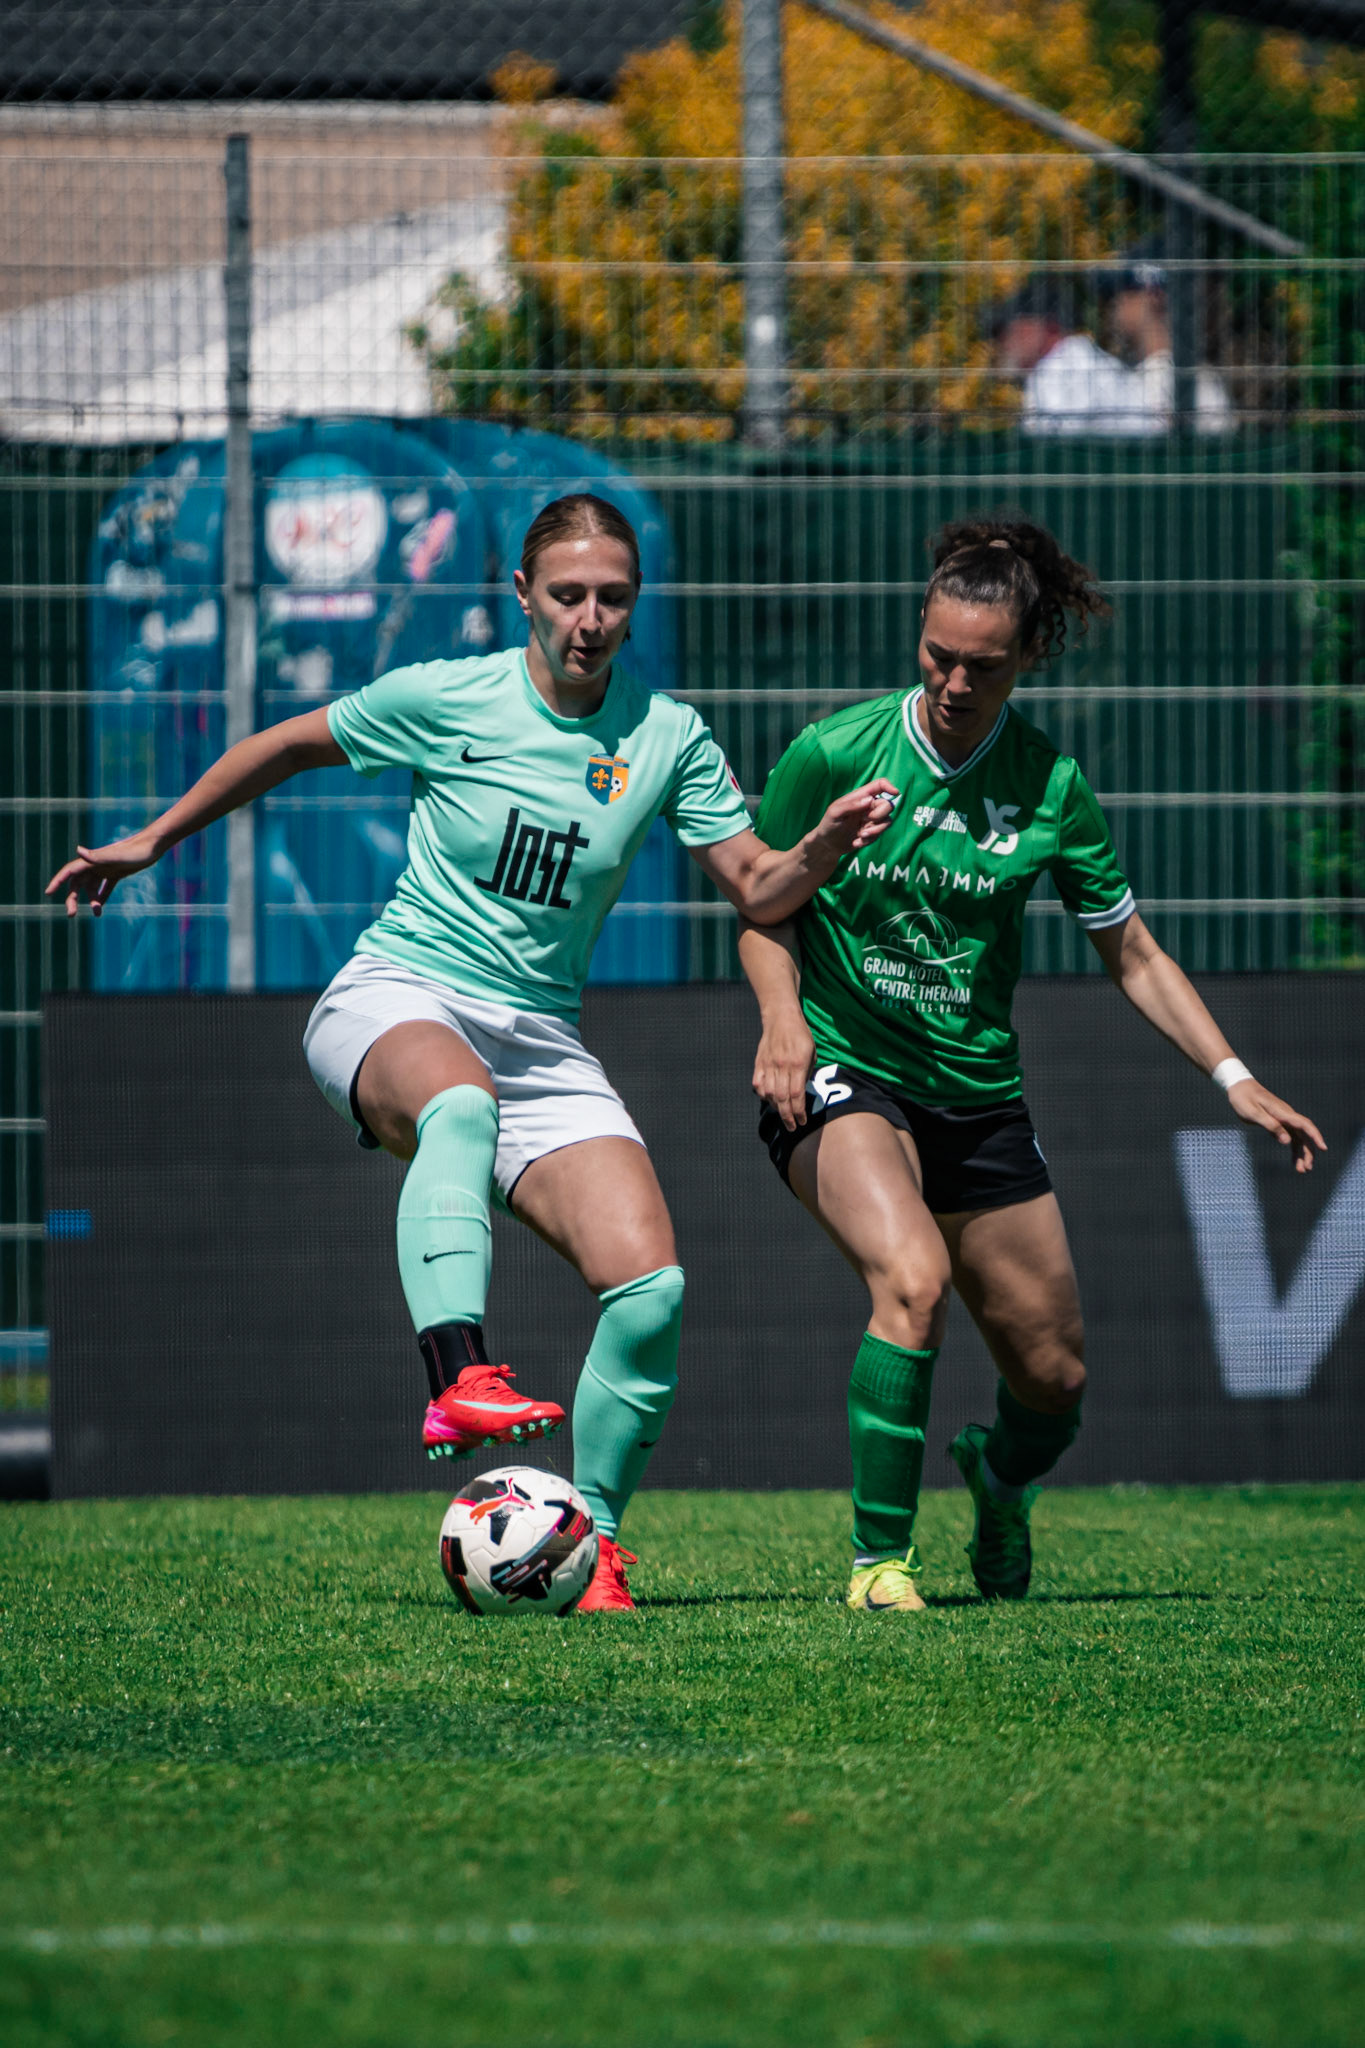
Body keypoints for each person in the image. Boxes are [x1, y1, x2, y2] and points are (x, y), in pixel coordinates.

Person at [48, 492, 895, 1614]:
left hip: (541, 1034)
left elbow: (756, 885)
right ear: (522, 597)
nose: (591, 617)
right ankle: (457, 1381)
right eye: (568, 594)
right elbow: (291, 743)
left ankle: (587, 1546)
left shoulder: (666, 734)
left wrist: (820, 846)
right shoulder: (450, 694)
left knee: (651, 1289)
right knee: (459, 1107)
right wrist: (155, 838)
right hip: (398, 991)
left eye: (614, 597)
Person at [739, 515, 1325, 1615]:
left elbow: (1135, 954)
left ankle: (997, 1481)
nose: (956, 681)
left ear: (1028, 657)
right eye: (938, 655)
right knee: (910, 1281)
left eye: (984, 664)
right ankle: (878, 1561)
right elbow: (761, 906)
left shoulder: (1052, 786)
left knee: (1055, 1385)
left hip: (978, 1098)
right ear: (920, 633)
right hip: (846, 1069)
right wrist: (782, 1018)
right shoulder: (833, 750)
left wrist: (1234, 1076)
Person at [991, 278, 1146, 437]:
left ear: (1047, 327)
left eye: (1008, 330)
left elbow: (1060, 452)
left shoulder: (1064, 368)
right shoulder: (1075, 360)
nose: (1003, 342)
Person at [1100, 254, 1233, 435]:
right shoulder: (1169, 374)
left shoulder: (1192, 381)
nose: (1115, 305)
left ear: (1154, 296)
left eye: (1124, 293)